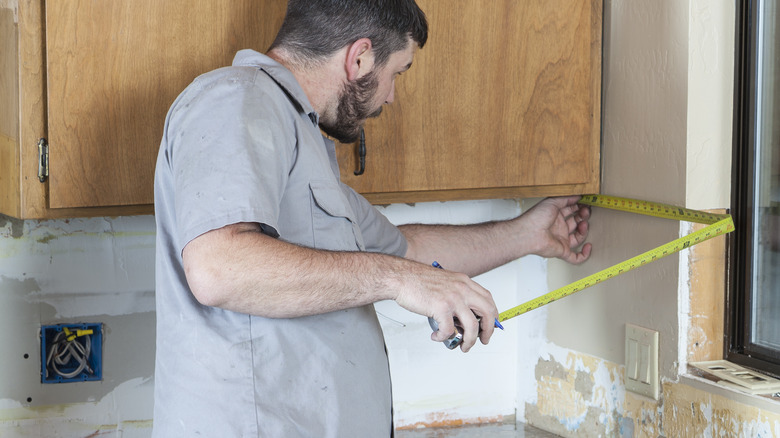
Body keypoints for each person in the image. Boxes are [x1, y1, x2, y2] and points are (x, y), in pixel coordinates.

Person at [152, 0, 592, 436]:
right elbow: (218, 268)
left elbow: (409, 252)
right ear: (359, 57)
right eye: (397, 72)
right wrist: (399, 280)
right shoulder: (237, 97)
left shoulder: (301, 143)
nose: (392, 96)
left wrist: (530, 234)